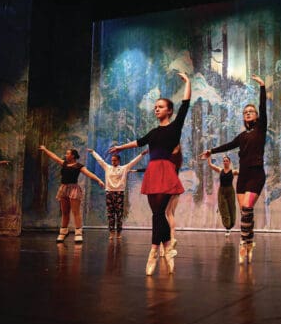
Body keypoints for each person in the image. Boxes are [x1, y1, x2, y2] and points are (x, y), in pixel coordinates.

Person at [109, 72, 191, 275]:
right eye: (155, 107)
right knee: (157, 213)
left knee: (159, 212)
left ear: (169, 111)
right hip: (153, 171)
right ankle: (166, 247)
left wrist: (188, 82)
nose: (156, 109)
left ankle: (154, 250)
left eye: (160, 106)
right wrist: (120, 148)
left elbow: (186, 106)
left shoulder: (174, 128)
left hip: (165, 170)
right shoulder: (153, 133)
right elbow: (138, 142)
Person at [200, 74, 266, 264]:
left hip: (256, 174)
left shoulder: (261, 129)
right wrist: (211, 151)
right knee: (246, 213)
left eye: (251, 111)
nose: (248, 113)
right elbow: (228, 145)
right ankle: (249, 241)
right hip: (243, 176)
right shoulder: (242, 136)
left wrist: (262, 86)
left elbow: (263, 107)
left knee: (246, 208)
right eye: (245, 111)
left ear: (257, 116)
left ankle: (243, 244)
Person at [39, 145, 104, 243]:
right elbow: (54, 157)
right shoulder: (64, 163)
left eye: (68, 153)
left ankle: (78, 233)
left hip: (73, 189)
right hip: (64, 188)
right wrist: (45, 149)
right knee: (65, 212)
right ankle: (63, 231)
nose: (66, 155)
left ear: (73, 156)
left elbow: (89, 173)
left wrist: (98, 180)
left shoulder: (79, 166)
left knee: (75, 212)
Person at [88, 148, 148, 240]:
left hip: (119, 192)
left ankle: (119, 232)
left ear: (118, 161)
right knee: (110, 214)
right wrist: (93, 152)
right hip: (109, 192)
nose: (113, 162)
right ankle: (111, 232)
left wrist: (142, 154)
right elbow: (100, 160)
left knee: (119, 214)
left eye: (115, 160)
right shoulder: (107, 167)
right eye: (112, 160)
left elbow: (133, 162)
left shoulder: (124, 168)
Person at [206, 155, 239, 236]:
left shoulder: (233, 171)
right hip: (222, 191)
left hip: (230, 191)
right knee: (223, 209)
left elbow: (244, 172)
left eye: (227, 161)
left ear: (229, 162)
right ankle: (227, 228)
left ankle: (231, 225)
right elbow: (211, 165)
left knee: (231, 208)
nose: (225, 162)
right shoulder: (220, 170)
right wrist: (209, 157)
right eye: (224, 161)